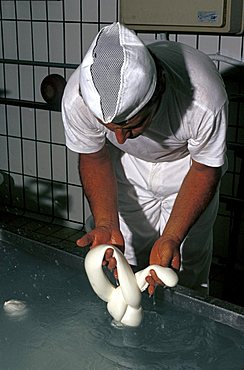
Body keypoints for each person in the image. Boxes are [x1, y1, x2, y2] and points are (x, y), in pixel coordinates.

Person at [62, 22, 228, 295]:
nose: (120, 138)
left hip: (186, 167)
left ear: (159, 91)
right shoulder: (77, 100)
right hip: (128, 166)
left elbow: (204, 169)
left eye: (132, 126)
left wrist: (172, 236)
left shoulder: (204, 99)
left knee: (182, 262)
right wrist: (105, 223)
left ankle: (181, 333)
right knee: (124, 255)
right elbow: (95, 157)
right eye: (111, 129)